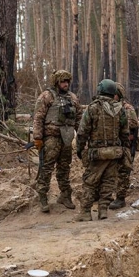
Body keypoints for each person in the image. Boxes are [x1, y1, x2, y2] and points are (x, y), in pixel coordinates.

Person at [74, 79, 129, 221]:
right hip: (115, 153)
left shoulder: (92, 108)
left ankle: (86, 212)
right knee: (108, 182)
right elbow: (125, 133)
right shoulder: (120, 109)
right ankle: (103, 210)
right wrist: (124, 149)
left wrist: (80, 149)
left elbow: (82, 132)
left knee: (90, 182)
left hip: (97, 153)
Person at [32, 70, 82, 212]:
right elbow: (38, 118)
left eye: (67, 81)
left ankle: (65, 195)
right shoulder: (47, 97)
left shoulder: (72, 98)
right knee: (47, 167)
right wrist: (37, 138)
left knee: (64, 167)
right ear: (56, 82)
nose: (66, 84)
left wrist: (82, 136)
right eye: (62, 81)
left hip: (66, 138)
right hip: (51, 138)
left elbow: (79, 118)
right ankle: (42, 195)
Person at [110, 82, 139, 210]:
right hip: (111, 145)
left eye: (114, 94)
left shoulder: (127, 108)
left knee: (123, 172)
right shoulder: (107, 107)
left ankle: (120, 198)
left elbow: (133, 125)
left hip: (124, 145)